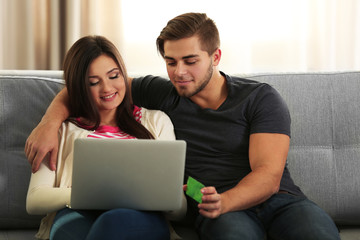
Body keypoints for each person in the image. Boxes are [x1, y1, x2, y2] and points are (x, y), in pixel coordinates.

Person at [25, 13, 341, 240]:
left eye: (190, 60)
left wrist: (225, 201)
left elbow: (268, 177)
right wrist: (49, 122)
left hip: (278, 200)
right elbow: (95, 84)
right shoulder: (165, 93)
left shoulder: (259, 98)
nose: (179, 72)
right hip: (212, 208)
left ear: (215, 56)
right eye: (170, 61)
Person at [26, 35, 183, 240]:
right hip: (75, 213)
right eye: (93, 82)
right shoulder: (59, 131)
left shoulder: (157, 122)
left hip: (139, 217)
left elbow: (179, 209)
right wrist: (92, 195)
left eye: (114, 76)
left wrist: (169, 198)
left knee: (113, 223)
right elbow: (34, 199)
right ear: (79, 87)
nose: (107, 89)